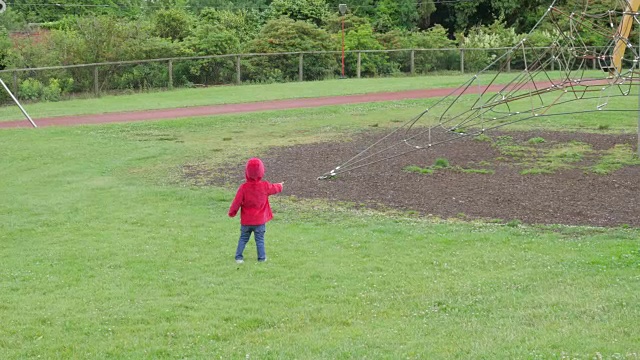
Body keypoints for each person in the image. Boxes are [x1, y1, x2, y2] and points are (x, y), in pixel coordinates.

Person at [228, 158, 283, 264]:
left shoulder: (243, 187)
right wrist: (280, 185)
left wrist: (232, 212)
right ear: (262, 171)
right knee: (260, 240)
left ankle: (238, 257)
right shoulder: (265, 186)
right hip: (259, 221)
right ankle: (261, 258)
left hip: (246, 221)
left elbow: (236, 202)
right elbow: (274, 188)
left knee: (243, 238)